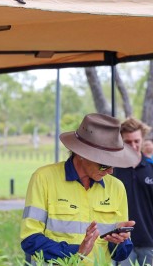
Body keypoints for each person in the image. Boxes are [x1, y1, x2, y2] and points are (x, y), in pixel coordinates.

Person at [20, 113, 140, 265]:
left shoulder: (116, 187)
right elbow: (30, 239)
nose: (110, 171)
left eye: (113, 164)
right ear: (81, 153)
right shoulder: (43, 178)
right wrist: (76, 252)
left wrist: (120, 242)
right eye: (104, 164)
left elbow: (119, 255)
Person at [114, 117, 153, 266]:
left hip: (150, 242)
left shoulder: (151, 168)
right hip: (122, 241)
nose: (133, 145)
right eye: (128, 142)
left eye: (136, 141)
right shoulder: (112, 170)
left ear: (142, 139)